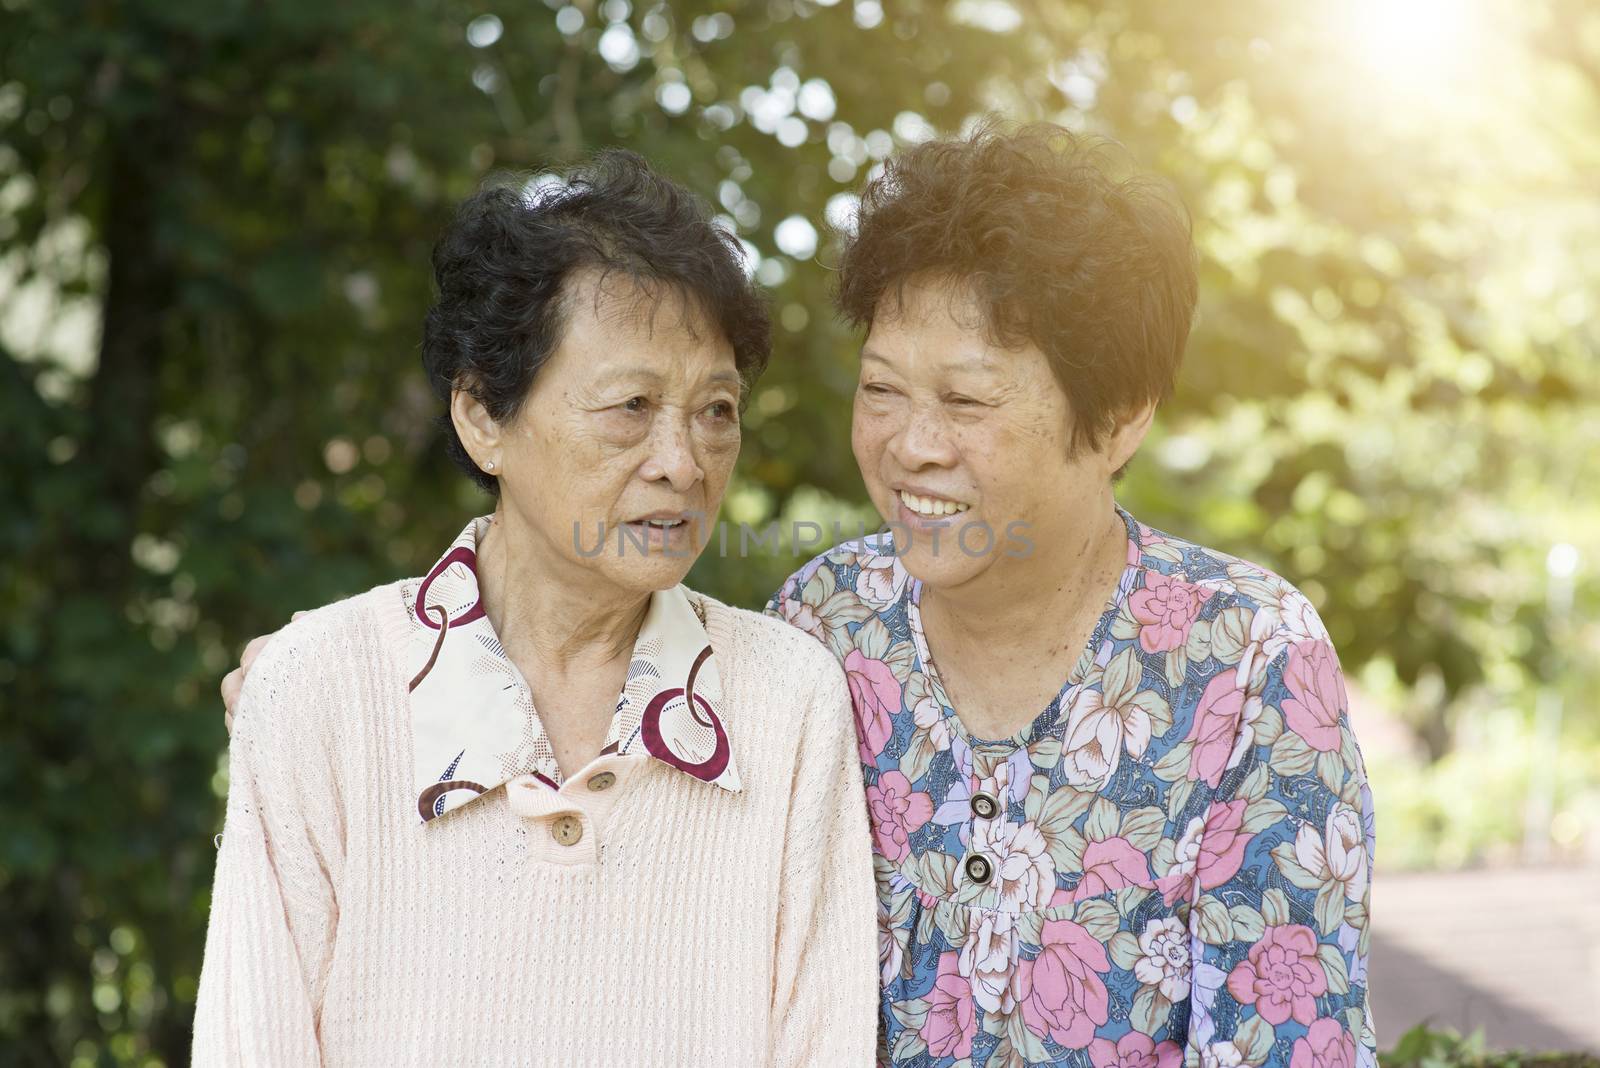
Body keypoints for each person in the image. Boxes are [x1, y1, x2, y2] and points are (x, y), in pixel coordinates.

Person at [224, 123, 1376, 1068]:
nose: (912, 446)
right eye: (881, 390)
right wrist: (321, 683)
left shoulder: (1243, 659)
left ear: (1120, 414)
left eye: (967, 403)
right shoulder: (830, 627)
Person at [193, 150, 878, 1066]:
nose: (684, 459)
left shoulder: (787, 699)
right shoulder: (319, 691)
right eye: (631, 405)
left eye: (717, 410)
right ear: (482, 418)